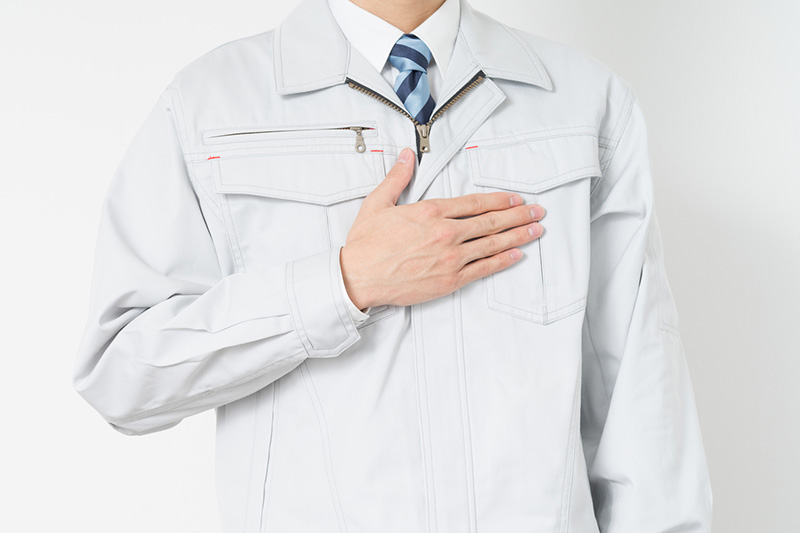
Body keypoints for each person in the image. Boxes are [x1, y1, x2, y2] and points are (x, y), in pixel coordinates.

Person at [72, 0, 713, 530]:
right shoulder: (212, 104)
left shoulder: (585, 103)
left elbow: (642, 404)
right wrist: (342, 284)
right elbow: (121, 376)